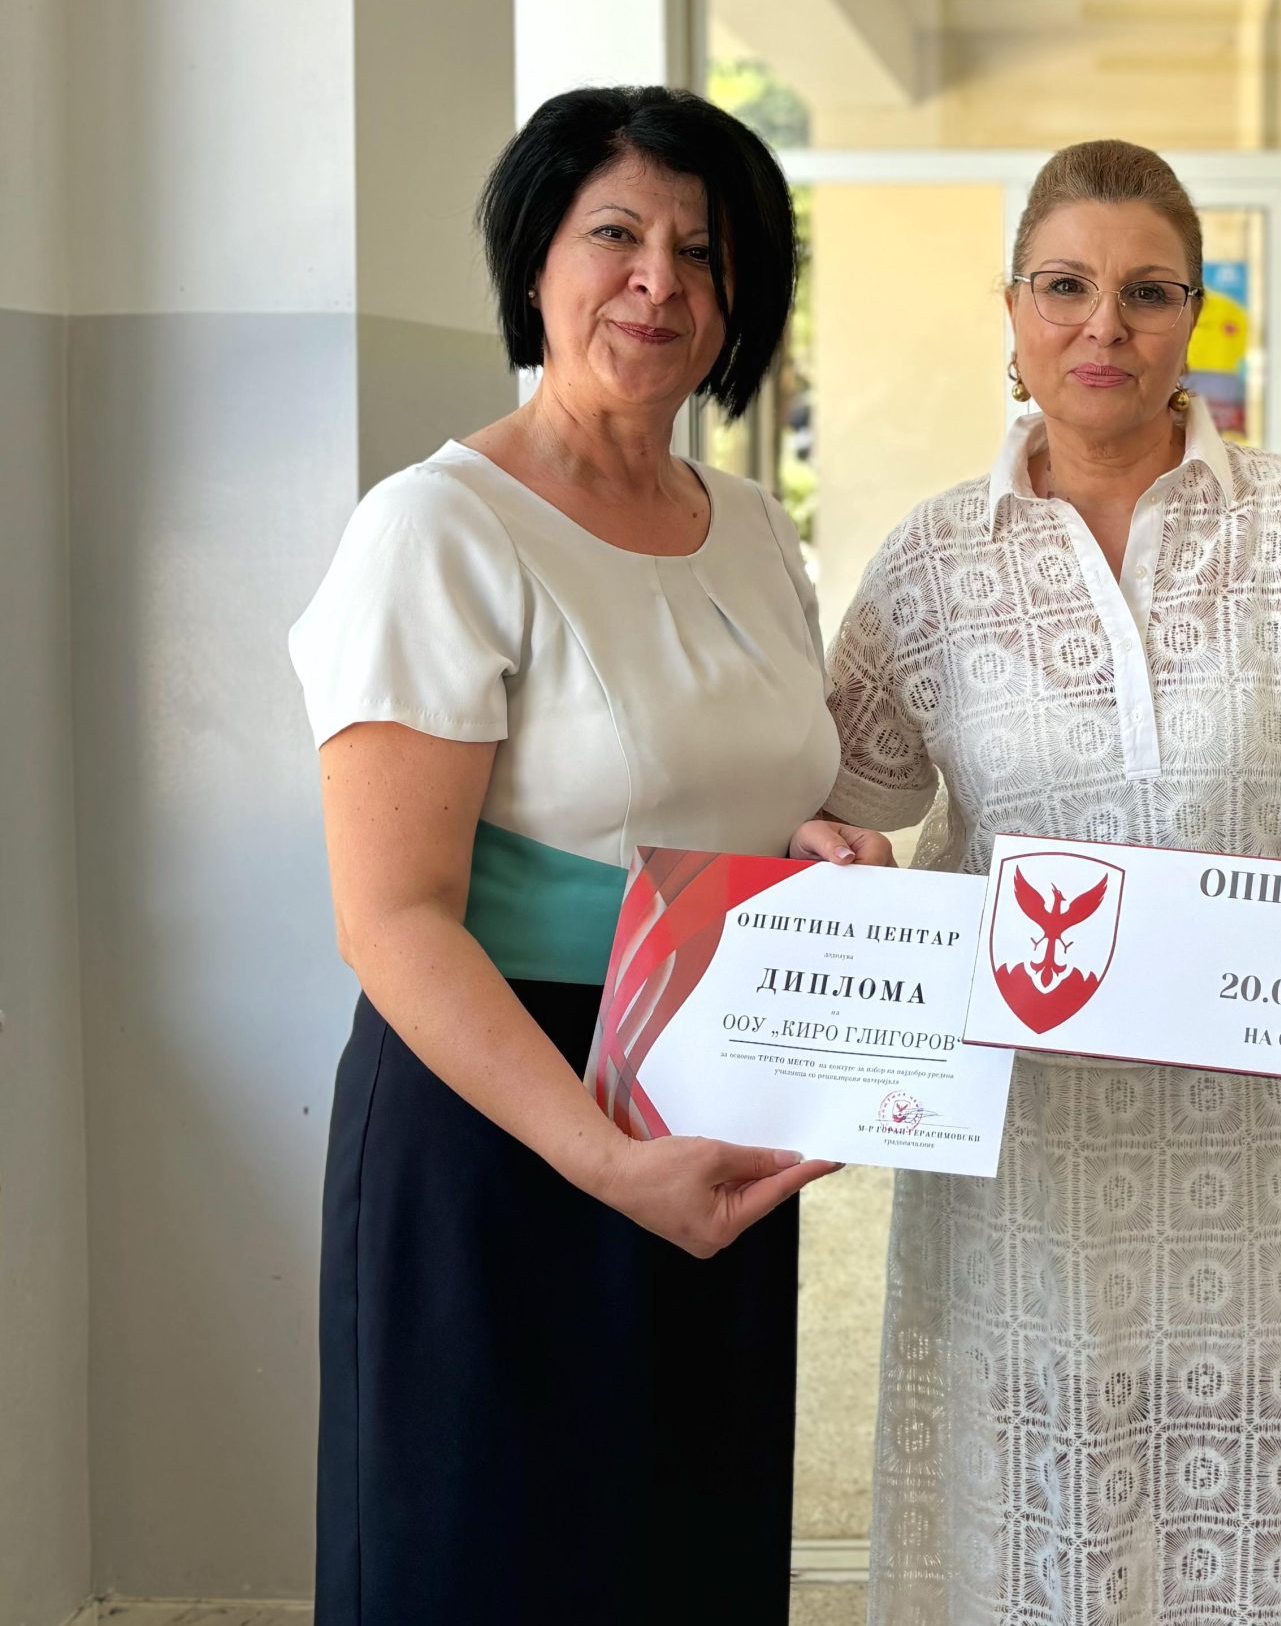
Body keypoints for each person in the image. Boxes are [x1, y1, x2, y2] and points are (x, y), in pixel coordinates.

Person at [800, 137, 1281, 1624]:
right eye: (1065, 286)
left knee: (1262, 1517)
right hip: (1028, 1149)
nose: (1103, 326)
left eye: (1148, 291)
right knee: (1044, 1519)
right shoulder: (931, 565)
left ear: (1195, 314)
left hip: (1264, 1137)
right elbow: (846, 826)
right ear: (1012, 309)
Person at [288, 87, 889, 1624]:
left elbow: (735, 789)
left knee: (686, 1546)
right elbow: (393, 916)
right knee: (491, 1558)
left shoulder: (750, 526)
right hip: (506, 1114)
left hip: (713, 1091)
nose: (659, 282)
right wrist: (602, 1157)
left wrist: (810, 848)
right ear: (536, 260)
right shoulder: (438, 528)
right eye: (615, 233)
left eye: (704, 250)